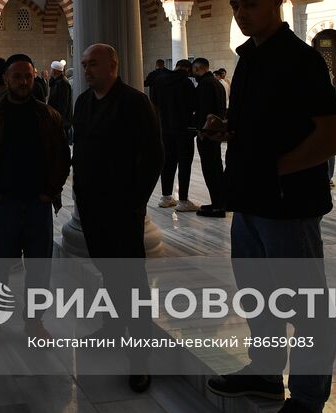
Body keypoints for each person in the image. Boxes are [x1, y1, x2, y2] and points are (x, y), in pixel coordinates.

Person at [201, 0, 336, 413]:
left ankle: (307, 403)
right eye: (236, 5)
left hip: (287, 206)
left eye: (249, 3)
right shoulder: (250, 59)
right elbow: (261, 129)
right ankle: (265, 372)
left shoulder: (300, 60)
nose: (241, 13)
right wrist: (228, 129)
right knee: (258, 295)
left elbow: (333, 135)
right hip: (250, 203)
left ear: (276, 3)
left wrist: (278, 168)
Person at [72, 43, 163, 393]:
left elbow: (153, 156)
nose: (86, 70)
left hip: (122, 208)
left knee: (131, 280)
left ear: (113, 65)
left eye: (92, 64)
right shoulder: (83, 103)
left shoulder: (134, 103)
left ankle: (140, 356)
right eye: (83, 65)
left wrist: (136, 202)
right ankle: (111, 327)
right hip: (92, 207)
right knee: (109, 271)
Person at [0, 53, 69, 345]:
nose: (24, 82)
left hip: (37, 204)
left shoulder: (48, 115)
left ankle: (34, 322)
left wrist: (50, 192)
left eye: (28, 76)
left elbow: (62, 157)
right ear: (6, 79)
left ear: (34, 76)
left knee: (39, 268)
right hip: (2, 205)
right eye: (17, 77)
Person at [157, 58, 198, 211]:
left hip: (165, 129)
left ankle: (166, 197)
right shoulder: (186, 83)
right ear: (188, 70)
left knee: (167, 163)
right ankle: (183, 200)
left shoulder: (161, 83)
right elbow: (193, 105)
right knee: (184, 164)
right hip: (183, 129)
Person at [192, 57, 228, 217]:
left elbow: (205, 110)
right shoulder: (217, 83)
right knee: (215, 167)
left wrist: (203, 131)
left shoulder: (205, 85)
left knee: (210, 169)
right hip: (215, 133)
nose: (193, 74)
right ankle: (219, 202)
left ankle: (218, 207)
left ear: (198, 68)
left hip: (208, 134)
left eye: (194, 70)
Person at [46, 60, 73, 143]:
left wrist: (59, 119)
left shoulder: (63, 83)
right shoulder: (57, 81)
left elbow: (63, 104)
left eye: (51, 70)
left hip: (60, 119)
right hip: (56, 116)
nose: (50, 71)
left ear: (55, 71)